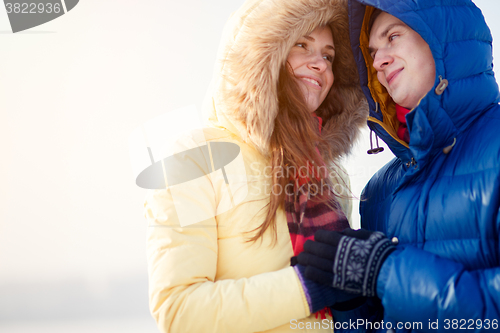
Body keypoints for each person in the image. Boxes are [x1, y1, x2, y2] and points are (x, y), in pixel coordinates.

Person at [144, 0, 368, 332]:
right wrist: (309, 288)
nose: (320, 64)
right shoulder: (193, 157)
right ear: (263, 56)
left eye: (328, 55)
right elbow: (179, 310)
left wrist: (354, 301)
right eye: (301, 45)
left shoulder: (331, 175)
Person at [297, 0, 500, 331]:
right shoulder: (379, 191)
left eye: (392, 37)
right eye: (373, 51)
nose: (377, 60)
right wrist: (351, 301)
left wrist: (386, 271)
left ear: (440, 38)